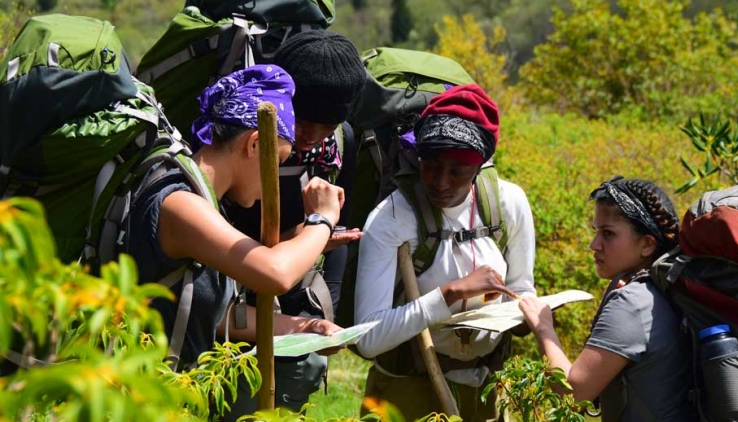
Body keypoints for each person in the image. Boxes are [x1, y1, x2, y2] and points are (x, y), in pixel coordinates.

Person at [125, 64, 346, 372]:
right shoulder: (180, 203)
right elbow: (276, 273)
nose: (276, 180)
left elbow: (216, 314)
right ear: (254, 144)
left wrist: (303, 327)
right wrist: (322, 219)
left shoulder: (203, 199)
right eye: (279, 161)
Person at [354, 84, 536, 421]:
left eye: (458, 172)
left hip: (484, 385)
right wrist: (450, 294)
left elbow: (522, 288)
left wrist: (526, 314)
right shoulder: (393, 216)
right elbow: (368, 338)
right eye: (431, 167)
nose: (441, 183)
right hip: (405, 387)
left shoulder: (508, 205)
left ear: (480, 166)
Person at [221, 30, 367, 416]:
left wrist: (324, 313)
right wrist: (309, 233)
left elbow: (332, 246)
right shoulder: (243, 136)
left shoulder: (339, 145)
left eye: (326, 126)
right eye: (304, 122)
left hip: (288, 297)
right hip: (226, 293)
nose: (311, 137)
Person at [519, 176, 696, 422]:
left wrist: (543, 328)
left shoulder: (632, 303)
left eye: (608, 233)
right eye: (596, 231)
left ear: (647, 244)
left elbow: (572, 397)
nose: (594, 245)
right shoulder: (669, 287)